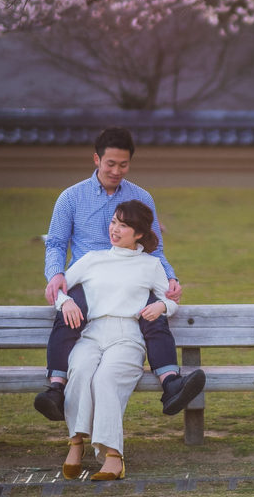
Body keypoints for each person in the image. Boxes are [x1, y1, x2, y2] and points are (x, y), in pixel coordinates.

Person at [35, 126, 205, 422]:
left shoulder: (142, 197)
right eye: (110, 163)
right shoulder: (71, 198)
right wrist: (55, 274)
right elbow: (57, 243)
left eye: (123, 164)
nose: (116, 170)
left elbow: (155, 247)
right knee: (68, 316)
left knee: (154, 315)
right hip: (89, 278)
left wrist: (170, 278)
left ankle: (171, 385)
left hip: (132, 273)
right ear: (96, 159)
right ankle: (56, 389)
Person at [58, 199, 176, 480]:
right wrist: (65, 302)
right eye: (113, 222)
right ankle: (76, 443)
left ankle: (113, 455)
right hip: (91, 334)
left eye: (123, 225)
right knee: (80, 370)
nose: (115, 229)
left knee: (106, 378)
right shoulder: (92, 260)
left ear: (138, 234)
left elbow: (171, 302)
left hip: (127, 337)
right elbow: (58, 288)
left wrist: (162, 306)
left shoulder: (151, 265)